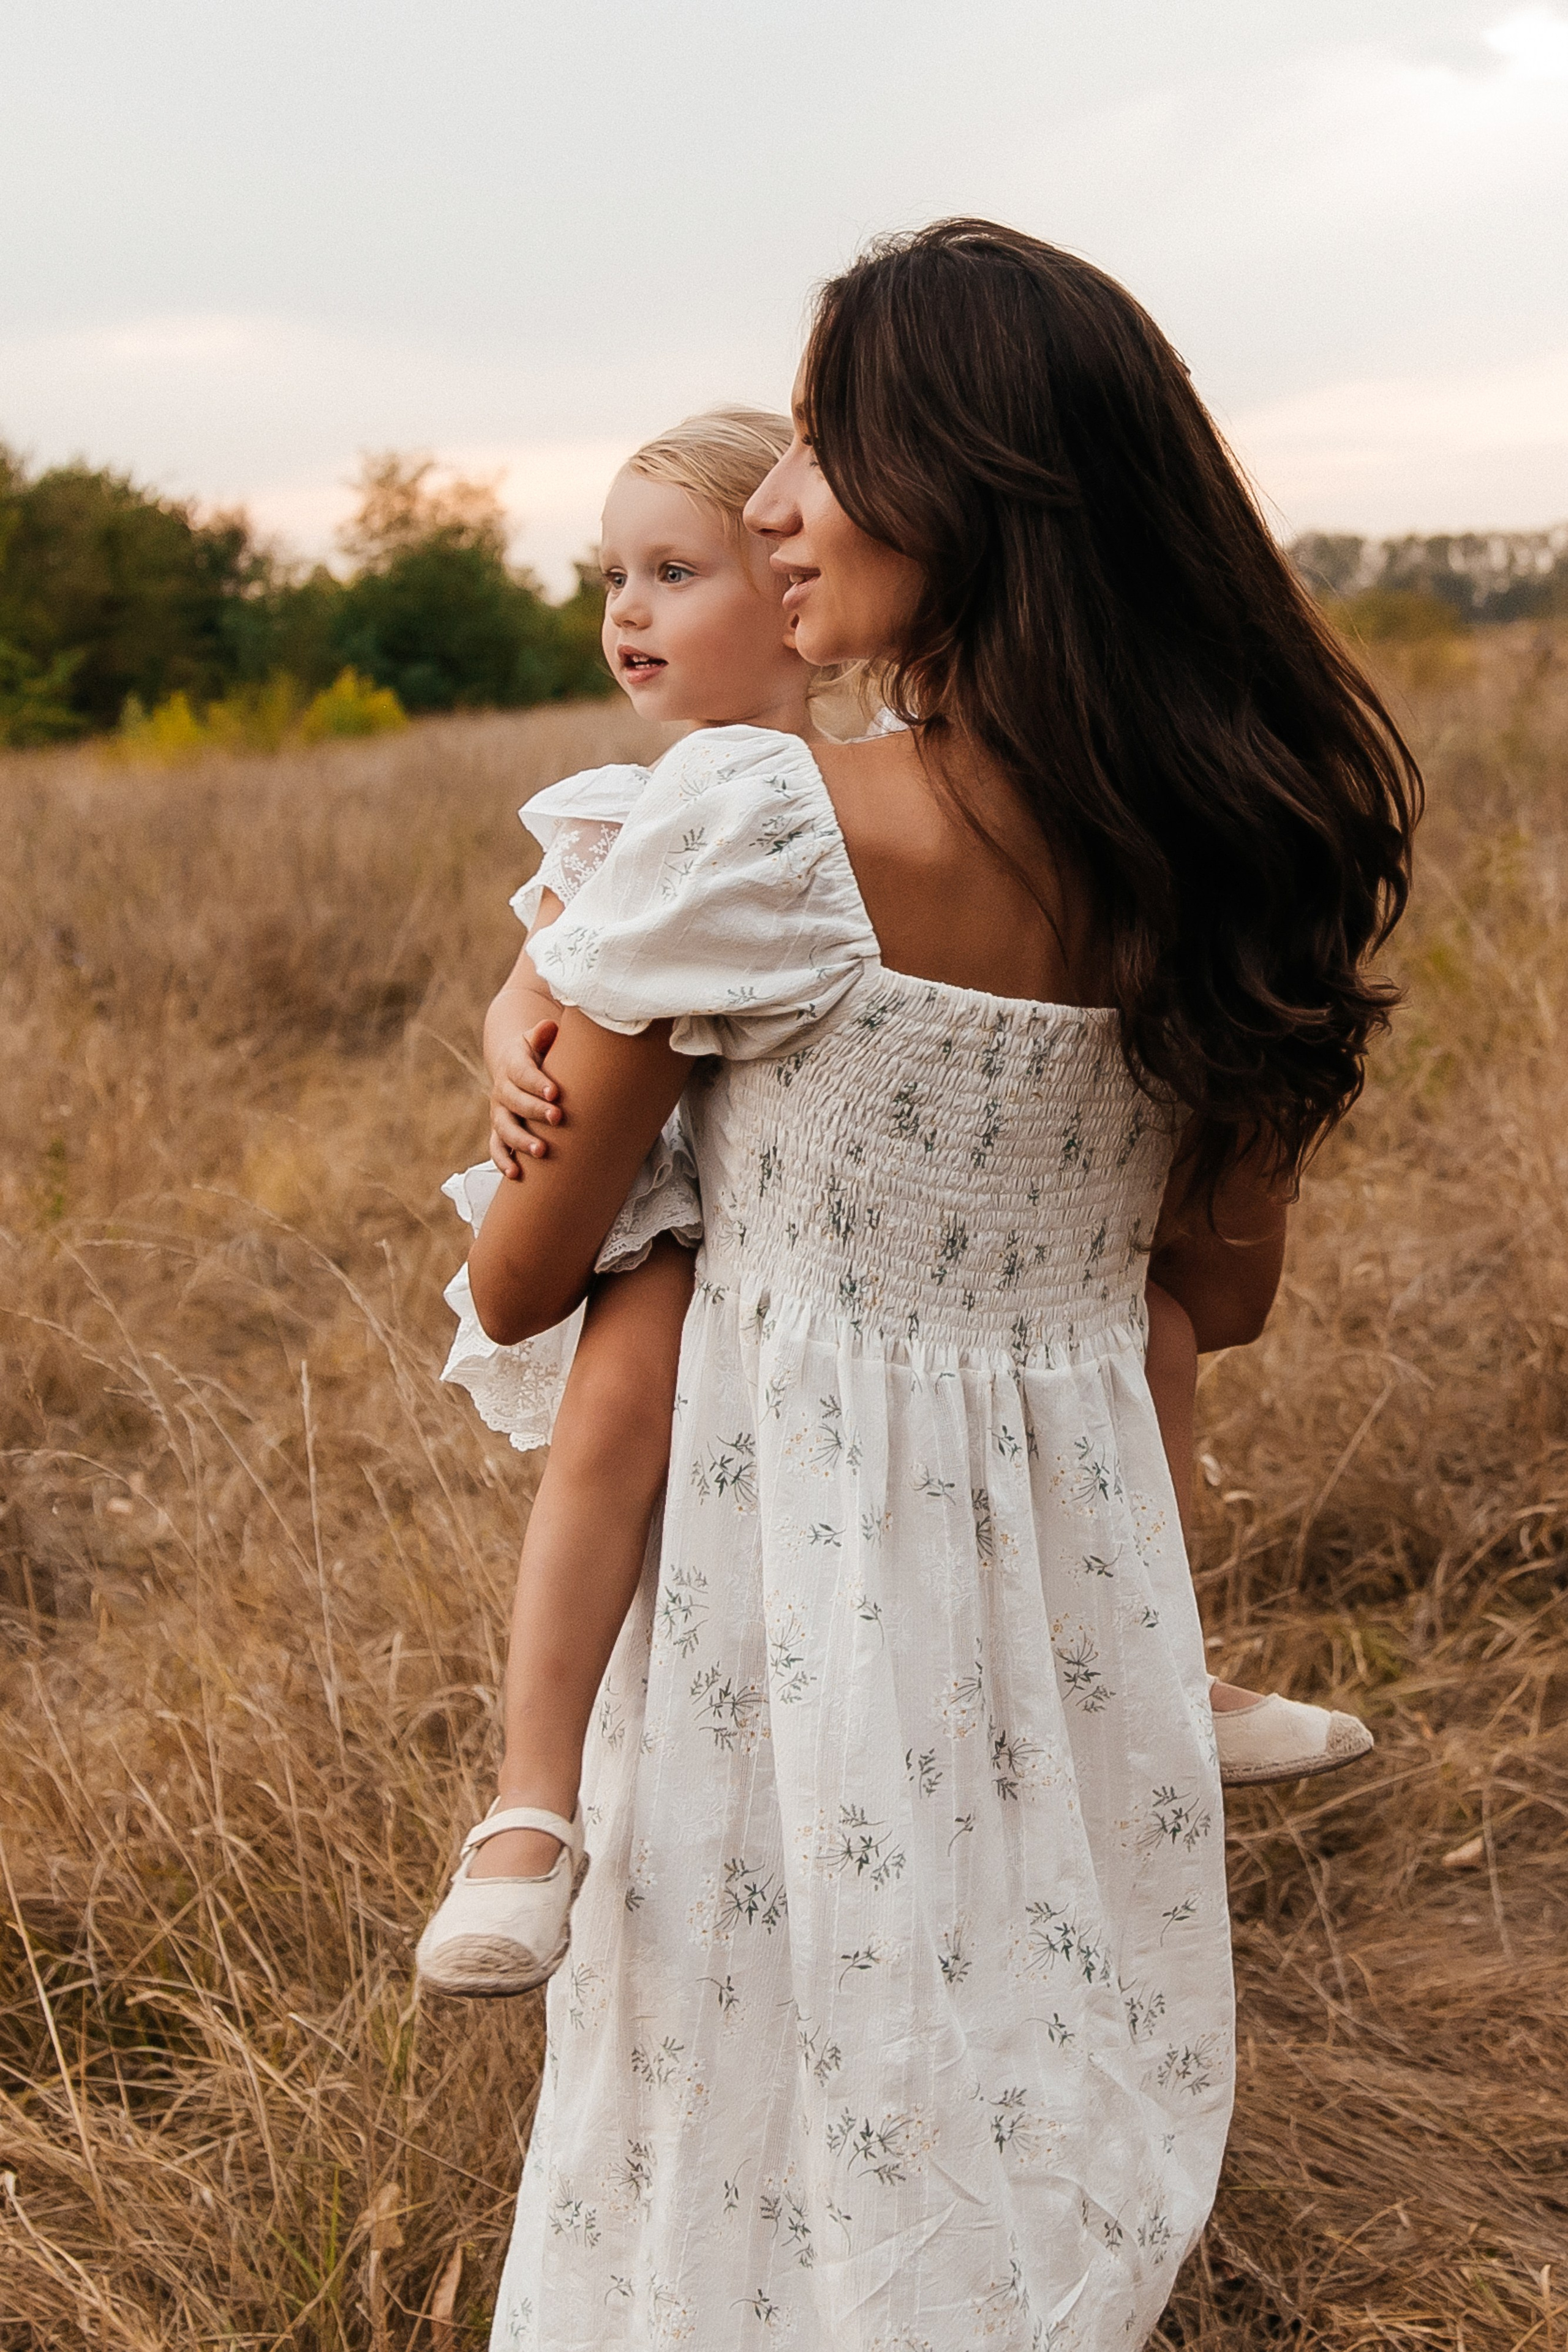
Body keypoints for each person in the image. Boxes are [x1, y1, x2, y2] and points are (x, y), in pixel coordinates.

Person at [459, 220, 1419, 2348]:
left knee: (730, 2116)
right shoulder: (1239, 852)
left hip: (775, 1585)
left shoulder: (761, 828)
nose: (777, 508)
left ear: (975, 482)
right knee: (995, 2075)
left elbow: (526, 1280)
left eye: (827, 447)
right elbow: (1219, 1297)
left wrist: (555, 1044)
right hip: (1068, 1608)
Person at [418, 403, 1374, 2005]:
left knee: (1141, 1331)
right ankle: (530, 1803)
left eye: (674, 570)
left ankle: (1164, 1669)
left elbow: (1204, 1303)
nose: (628, 612)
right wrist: (508, 1048)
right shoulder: (657, 811)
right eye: (614, 578)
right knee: (624, 1379)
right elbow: (538, 1003)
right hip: (693, 1212)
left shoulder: (788, 804)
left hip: (933, 1278)